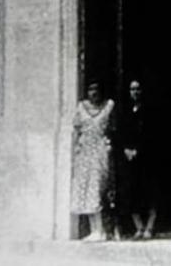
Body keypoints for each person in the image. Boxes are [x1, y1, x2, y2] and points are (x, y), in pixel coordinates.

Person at [71, 82, 116, 240]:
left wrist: (108, 144)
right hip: (85, 152)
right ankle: (94, 230)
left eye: (97, 89)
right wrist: (76, 149)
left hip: (100, 151)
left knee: (98, 188)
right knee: (86, 189)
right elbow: (76, 130)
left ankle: (103, 230)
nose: (94, 93)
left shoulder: (108, 107)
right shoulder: (81, 108)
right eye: (90, 89)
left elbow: (112, 129)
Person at [115, 79, 157, 239]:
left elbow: (151, 133)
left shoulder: (149, 110)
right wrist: (125, 149)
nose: (135, 92)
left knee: (149, 192)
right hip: (129, 158)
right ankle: (138, 227)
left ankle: (150, 227)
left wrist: (139, 149)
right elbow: (119, 132)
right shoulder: (124, 111)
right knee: (132, 192)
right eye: (132, 89)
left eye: (138, 89)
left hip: (147, 157)